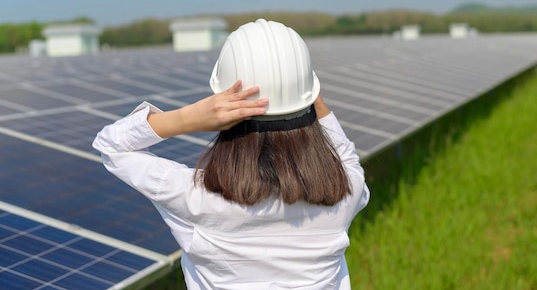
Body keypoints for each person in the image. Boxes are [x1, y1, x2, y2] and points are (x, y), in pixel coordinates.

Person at [92, 19, 370, 290]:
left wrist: (190, 118)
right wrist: (302, 89)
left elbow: (111, 145)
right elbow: (346, 155)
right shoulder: (346, 192)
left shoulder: (196, 198)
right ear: (309, 97)